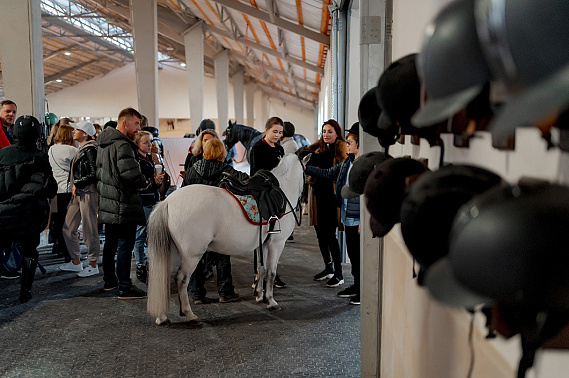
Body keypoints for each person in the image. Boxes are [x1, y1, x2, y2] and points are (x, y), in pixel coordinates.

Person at [0, 115, 57, 302]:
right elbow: (49, 188)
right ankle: (26, 291)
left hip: (4, 215)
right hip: (30, 216)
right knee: (30, 251)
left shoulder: (2, 154)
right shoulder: (39, 156)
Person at [183, 139, 247, 303]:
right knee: (223, 256)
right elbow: (246, 180)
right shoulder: (227, 170)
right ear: (221, 153)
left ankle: (197, 294)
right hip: (220, 221)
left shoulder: (192, 170)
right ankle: (225, 292)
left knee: (196, 256)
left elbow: (184, 193)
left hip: (196, 219)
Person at [97, 108, 151, 298]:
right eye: (136, 123)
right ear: (125, 122)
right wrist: (144, 181)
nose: (138, 127)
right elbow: (130, 175)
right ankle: (125, 286)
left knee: (111, 244)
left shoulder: (104, 143)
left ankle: (109, 281)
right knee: (125, 246)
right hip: (122, 201)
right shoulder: (123, 145)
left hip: (108, 201)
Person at [304, 123, 361, 304]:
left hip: (354, 216)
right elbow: (329, 173)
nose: (347, 144)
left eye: (350, 141)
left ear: (358, 144)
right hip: (346, 212)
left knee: (357, 254)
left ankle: (359, 289)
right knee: (352, 253)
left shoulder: (361, 164)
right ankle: (355, 285)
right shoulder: (348, 162)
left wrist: (362, 220)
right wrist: (305, 168)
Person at [304, 119, 347, 287]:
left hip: (332, 198)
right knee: (320, 235)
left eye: (330, 131)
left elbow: (335, 174)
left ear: (337, 133)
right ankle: (328, 268)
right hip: (317, 197)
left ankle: (339, 273)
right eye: (324, 132)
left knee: (330, 236)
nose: (326, 134)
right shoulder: (317, 150)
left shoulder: (341, 150)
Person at [249, 116, 287, 288]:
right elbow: (256, 172)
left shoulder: (280, 149)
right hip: (262, 191)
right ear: (266, 130)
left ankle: (272, 272)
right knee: (261, 237)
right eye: (275, 131)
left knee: (274, 239)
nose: (278, 135)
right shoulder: (257, 148)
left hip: (276, 192)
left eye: (280, 132)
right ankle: (258, 274)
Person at [60, 121, 100, 277]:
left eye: (77, 130)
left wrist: (77, 182)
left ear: (85, 133)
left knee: (89, 229)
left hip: (88, 192)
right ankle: (76, 262)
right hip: (79, 193)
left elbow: (94, 173)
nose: (74, 132)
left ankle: (93, 263)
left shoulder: (90, 149)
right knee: (68, 227)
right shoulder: (82, 149)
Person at [132, 130, 164, 284]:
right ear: (137, 143)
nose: (149, 144)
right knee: (141, 235)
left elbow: (153, 183)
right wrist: (153, 180)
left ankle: (152, 264)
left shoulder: (150, 159)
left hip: (153, 199)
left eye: (151, 141)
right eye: (145, 142)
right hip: (143, 201)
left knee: (154, 235)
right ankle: (140, 266)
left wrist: (158, 181)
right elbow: (138, 184)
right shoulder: (136, 160)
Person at [47, 124, 77, 261]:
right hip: (67, 188)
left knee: (57, 220)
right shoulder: (72, 150)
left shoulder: (51, 149)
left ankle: (58, 246)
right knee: (68, 222)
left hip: (55, 189)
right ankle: (67, 251)